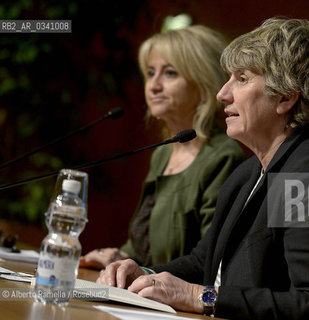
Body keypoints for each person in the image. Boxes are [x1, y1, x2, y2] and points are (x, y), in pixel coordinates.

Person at [97, 17, 309, 319]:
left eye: (241, 79)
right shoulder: (250, 171)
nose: (222, 93)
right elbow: (205, 262)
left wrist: (198, 296)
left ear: (285, 97)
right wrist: (143, 274)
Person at [80, 25, 245, 268]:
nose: (153, 85)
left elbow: (210, 261)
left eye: (169, 73)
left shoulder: (224, 158)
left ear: (203, 84)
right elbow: (143, 245)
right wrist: (118, 258)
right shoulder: (163, 153)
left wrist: (142, 273)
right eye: (149, 73)